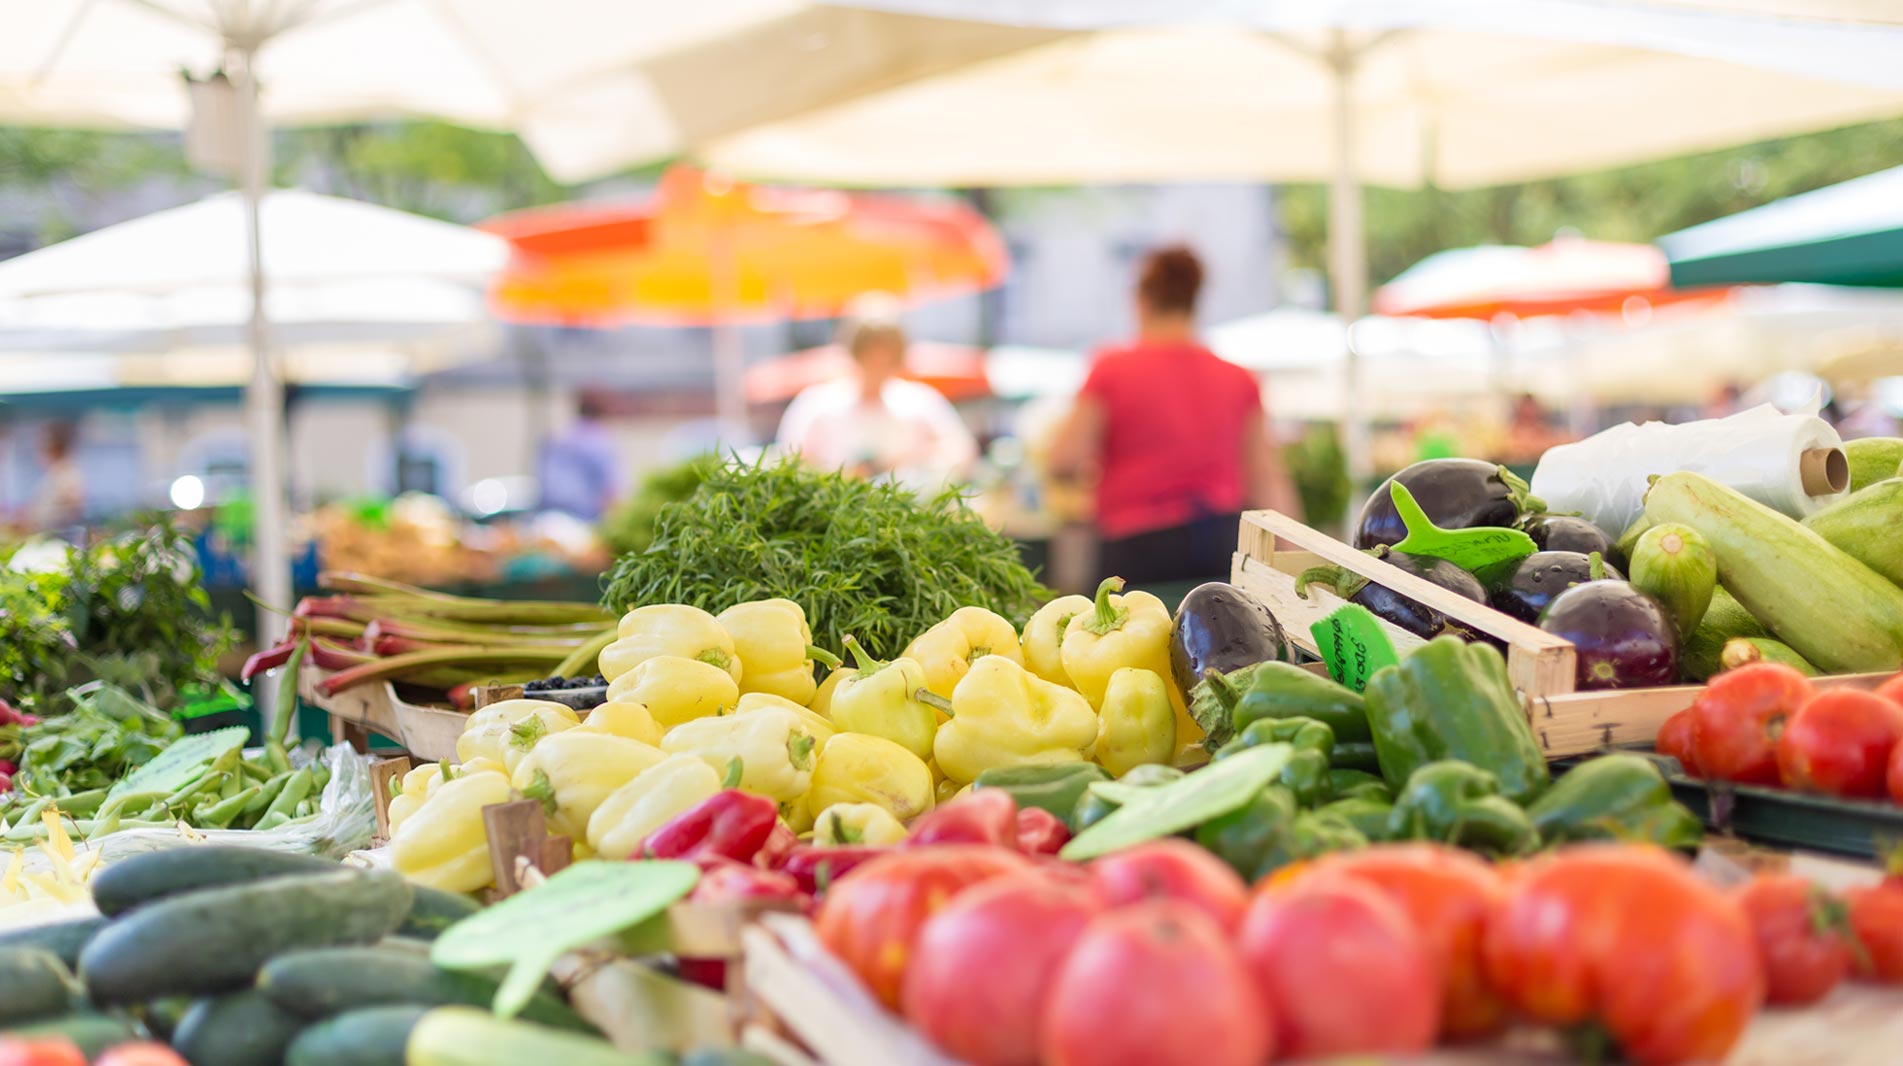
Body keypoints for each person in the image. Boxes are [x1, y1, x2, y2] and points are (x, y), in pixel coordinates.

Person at [1050, 245, 1299, 586]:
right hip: (1220, 540)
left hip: (1136, 545)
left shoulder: (1111, 369)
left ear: (1142, 301)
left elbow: (1064, 459)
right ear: (1195, 302)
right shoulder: (1237, 377)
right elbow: (1267, 479)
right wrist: (1292, 560)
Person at [775, 298, 978, 487]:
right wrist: (840, 475)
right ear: (854, 352)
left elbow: (961, 452)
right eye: (870, 354)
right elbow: (790, 464)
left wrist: (911, 459)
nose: (878, 363)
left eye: (887, 356)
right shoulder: (816, 406)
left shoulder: (921, 403)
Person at [537, 393, 623, 521]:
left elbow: (541, 477)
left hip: (550, 515)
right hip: (586, 518)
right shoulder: (600, 440)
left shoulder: (557, 436)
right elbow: (611, 488)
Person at [26, 421, 85, 533]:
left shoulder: (68, 473)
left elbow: (74, 507)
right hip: (46, 532)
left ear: (56, 448)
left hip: (57, 534)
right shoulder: (56, 471)